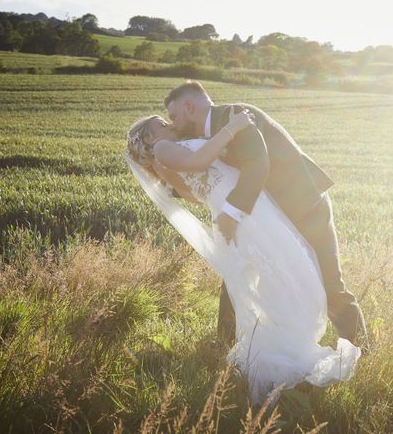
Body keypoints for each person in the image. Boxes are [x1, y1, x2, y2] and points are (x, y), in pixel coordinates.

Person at [124, 109, 360, 405]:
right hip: (244, 215)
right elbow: (200, 161)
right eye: (160, 123)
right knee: (289, 269)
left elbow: (201, 190)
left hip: (240, 211)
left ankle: (276, 344)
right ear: (149, 138)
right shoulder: (162, 149)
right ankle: (289, 350)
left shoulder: (167, 161)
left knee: (272, 273)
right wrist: (232, 127)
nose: (169, 124)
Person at [162, 81, 369, 351]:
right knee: (237, 273)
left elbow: (258, 164)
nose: (174, 125)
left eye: (174, 116)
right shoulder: (213, 134)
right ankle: (225, 345)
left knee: (330, 286)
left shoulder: (236, 116)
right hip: (268, 219)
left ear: (189, 107)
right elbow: (209, 177)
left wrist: (231, 214)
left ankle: (363, 350)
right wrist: (162, 176)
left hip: (304, 209)